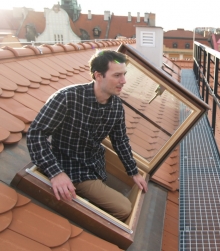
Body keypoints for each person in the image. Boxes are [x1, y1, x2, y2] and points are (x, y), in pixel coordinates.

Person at [27, 50, 148, 221]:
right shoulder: (67, 97)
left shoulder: (116, 106)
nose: (124, 81)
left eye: (124, 74)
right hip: (70, 169)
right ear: (98, 75)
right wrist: (56, 173)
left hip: (95, 166)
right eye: (117, 75)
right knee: (124, 209)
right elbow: (36, 134)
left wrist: (133, 172)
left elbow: (120, 140)